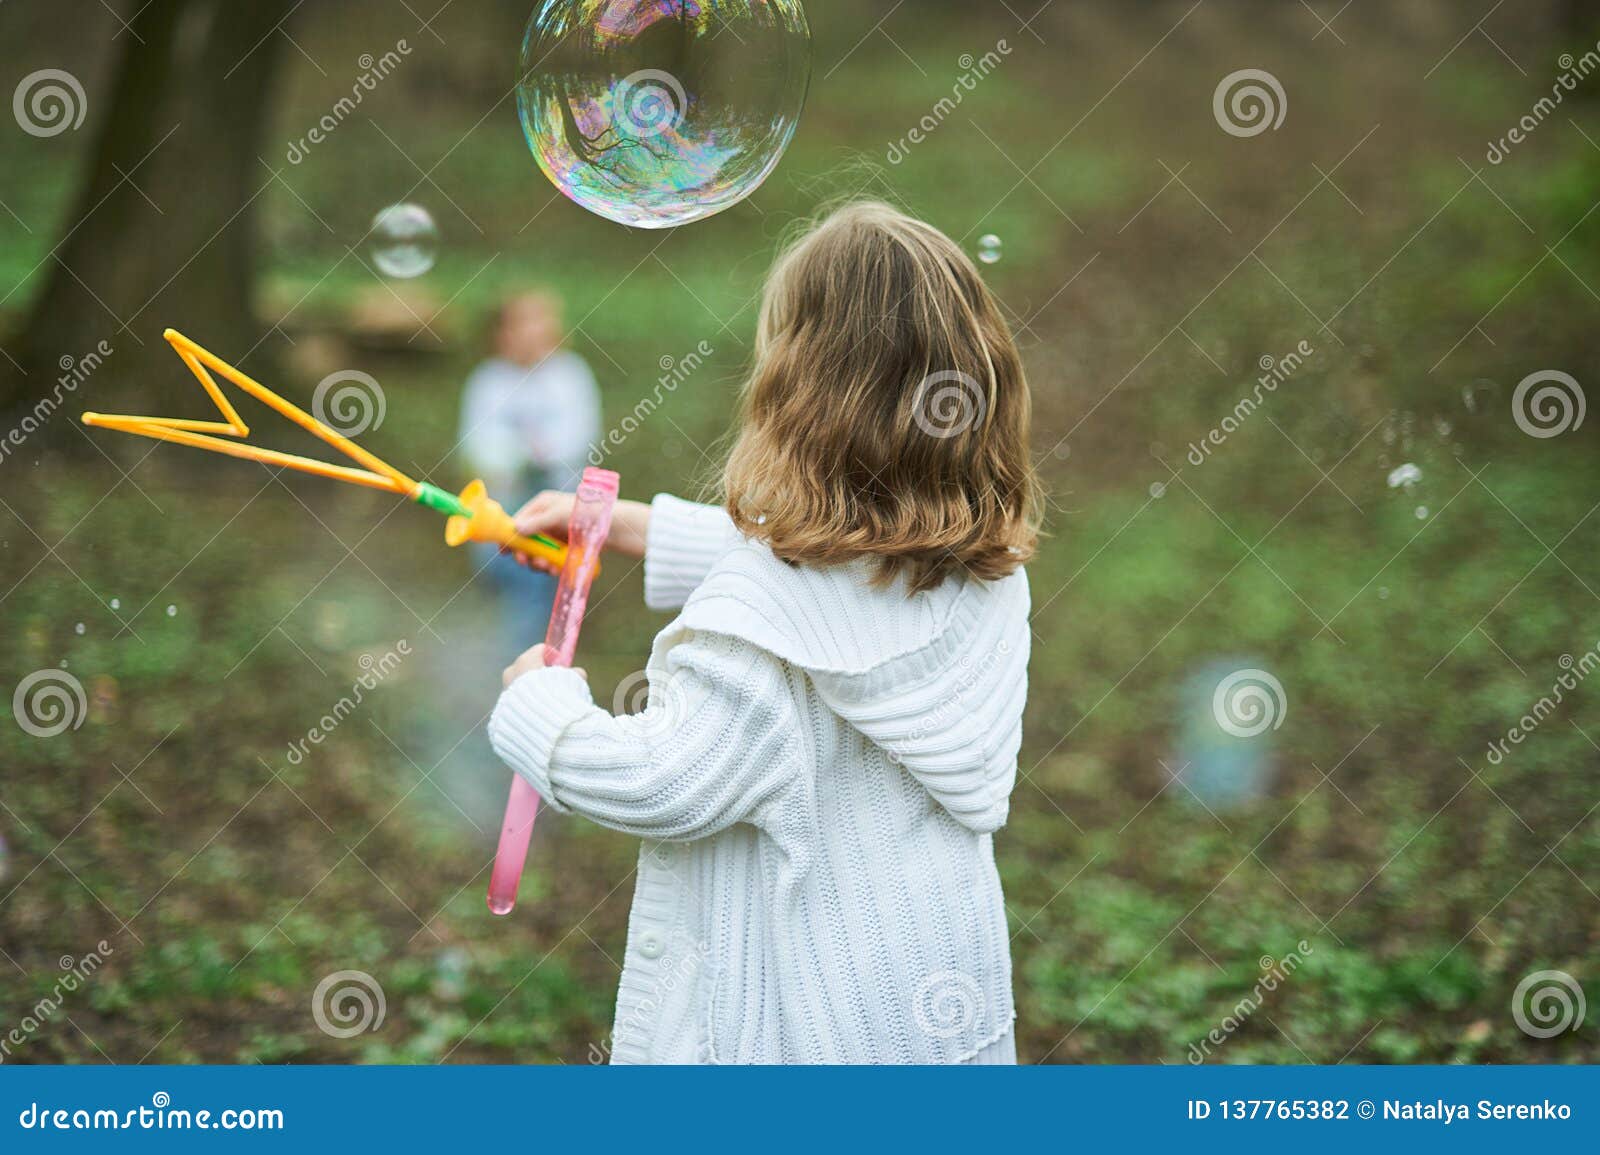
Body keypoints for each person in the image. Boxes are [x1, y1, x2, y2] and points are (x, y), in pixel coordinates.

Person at [487, 202, 1040, 1064]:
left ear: (797, 395)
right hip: (931, 1004)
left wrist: (542, 707)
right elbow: (849, 586)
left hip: (800, 1020)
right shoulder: (986, 571)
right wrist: (640, 526)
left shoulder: (763, 621)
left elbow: (664, 779)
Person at [457, 292, 600, 653]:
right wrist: (525, 454)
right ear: (503, 332)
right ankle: (510, 664)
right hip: (502, 513)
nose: (539, 330)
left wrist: (538, 453)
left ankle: (519, 669)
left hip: (558, 516)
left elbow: (579, 437)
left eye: (544, 320)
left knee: (534, 598)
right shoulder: (488, 381)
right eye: (527, 321)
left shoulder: (570, 376)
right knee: (517, 595)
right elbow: (478, 447)